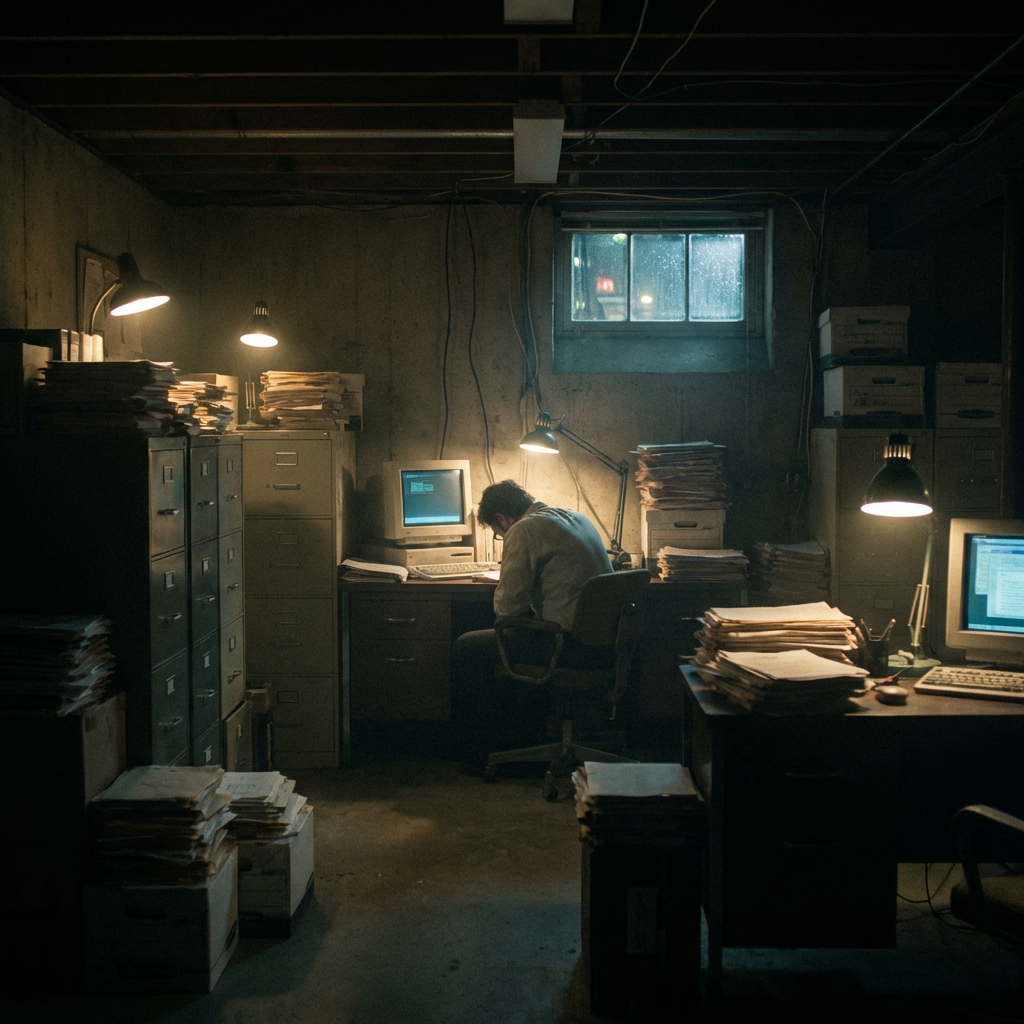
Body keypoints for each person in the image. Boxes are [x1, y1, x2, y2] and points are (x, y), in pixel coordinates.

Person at [450, 479, 614, 768]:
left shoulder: (524, 529)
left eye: (498, 534)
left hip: (567, 647)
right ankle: (525, 735)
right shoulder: (575, 517)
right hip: (605, 645)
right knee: (518, 635)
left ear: (502, 519)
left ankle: (491, 748)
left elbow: (507, 609)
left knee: (468, 647)